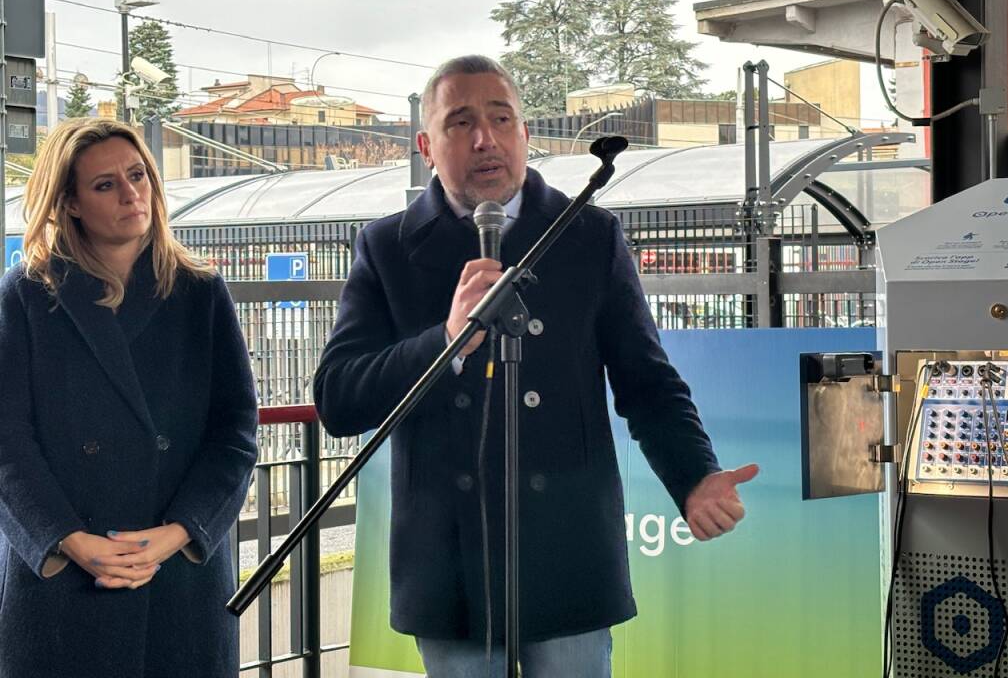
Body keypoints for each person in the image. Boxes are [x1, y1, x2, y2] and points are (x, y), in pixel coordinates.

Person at [313, 55, 758, 677]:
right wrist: (446, 339)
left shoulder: (589, 235)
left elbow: (647, 382)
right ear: (426, 144)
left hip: (568, 548)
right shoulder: (386, 247)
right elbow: (338, 397)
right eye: (460, 122)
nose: (483, 139)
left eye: (501, 119)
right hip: (449, 563)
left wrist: (694, 476)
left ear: (526, 134)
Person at [0, 118, 259, 678]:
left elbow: (235, 433)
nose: (131, 192)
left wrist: (178, 533)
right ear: (68, 202)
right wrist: (68, 540)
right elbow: (6, 442)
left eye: (138, 174)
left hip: (177, 573)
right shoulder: (24, 295)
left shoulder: (201, 292)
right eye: (105, 184)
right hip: (62, 579)